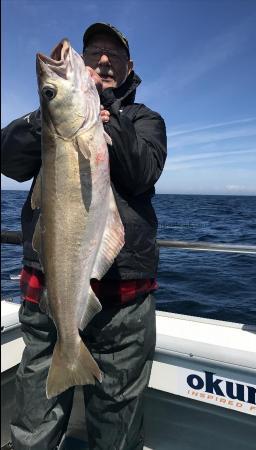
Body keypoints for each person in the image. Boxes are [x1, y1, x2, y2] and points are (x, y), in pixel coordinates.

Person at [1, 22, 167, 450]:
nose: (103, 60)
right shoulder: (50, 124)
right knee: (32, 429)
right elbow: (8, 159)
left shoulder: (145, 120)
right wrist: (49, 105)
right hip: (48, 300)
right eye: (94, 53)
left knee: (117, 435)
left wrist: (107, 111)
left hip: (123, 306)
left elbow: (143, 172)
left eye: (114, 55)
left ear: (131, 68)